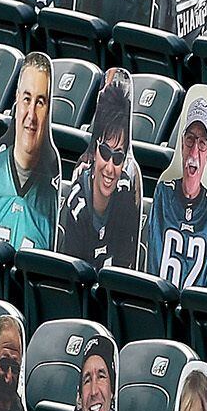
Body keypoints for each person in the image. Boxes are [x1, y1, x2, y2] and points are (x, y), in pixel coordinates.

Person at [55, 71, 143, 270]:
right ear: (94, 151)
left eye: (118, 157)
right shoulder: (77, 206)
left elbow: (125, 264)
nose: (110, 168)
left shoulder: (126, 195)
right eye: (105, 152)